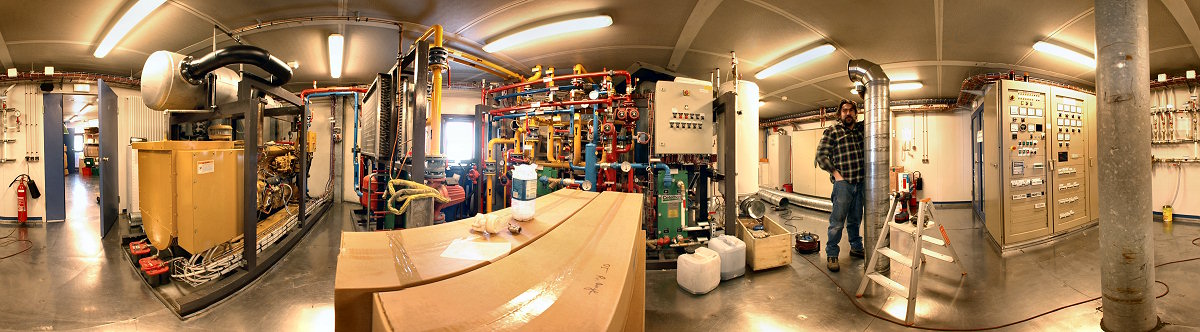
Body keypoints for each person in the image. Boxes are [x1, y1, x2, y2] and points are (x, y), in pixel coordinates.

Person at [815, 100, 865, 272]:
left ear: (855, 114)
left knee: (856, 219)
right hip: (843, 185)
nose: (848, 113)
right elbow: (821, 156)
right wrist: (837, 175)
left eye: (851, 110)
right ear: (839, 114)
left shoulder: (860, 130)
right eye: (844, 111)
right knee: (837, 222)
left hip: (860, 182)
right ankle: (832, 254)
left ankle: (856, 247)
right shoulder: (833, 131)